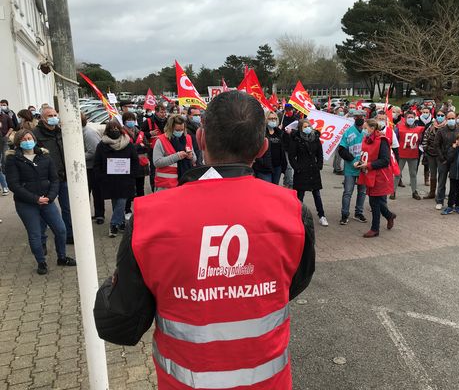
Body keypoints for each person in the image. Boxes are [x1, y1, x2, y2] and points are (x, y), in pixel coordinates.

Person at [94, 90, 315, 390]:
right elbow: (294, 283)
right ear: (263, 147)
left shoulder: (148, 219)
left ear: (200, 140)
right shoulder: (294, 212)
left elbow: (119, 325)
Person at [5, 129, 76, 275]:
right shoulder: (13, 159)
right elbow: (13, 185)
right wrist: (35, 199)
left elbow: (55, 179)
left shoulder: (44, 156)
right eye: (23, 139)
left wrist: (49, 197)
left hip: (46, 201)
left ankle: (61, 257)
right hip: (26, 204)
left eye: (29, 138)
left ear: (35, 139)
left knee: (61, 230)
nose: (27, 141)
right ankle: (41, 262)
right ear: (18, 142)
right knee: (35, 234)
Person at [34, 106, 74, 244]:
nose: (53, 118)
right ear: (43, 118)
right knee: (43, 210)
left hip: (63, 177)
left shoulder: (61, 132)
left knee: (67, 208)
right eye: (49, 116)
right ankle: (42, 240)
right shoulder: (35, 134)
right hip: (45, 179)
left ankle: (69, 234)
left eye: (54, 115)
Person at [94, 120, 139, 237]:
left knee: (122, 200)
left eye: (116, 128)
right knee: (116, 201)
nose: (114, 131)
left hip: (125, 179)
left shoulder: (128, 143)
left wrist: (132, 174)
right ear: (107, 131)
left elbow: (135, 160)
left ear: (120, 130)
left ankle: (113, 224)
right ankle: (122, 223)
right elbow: (97, 163)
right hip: (109, 180)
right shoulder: (102, 145)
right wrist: (101, 176)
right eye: (111, 129)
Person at [357, 119, 396, 238]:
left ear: (372, 128)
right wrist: (359, 163)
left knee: (374, 202)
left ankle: (375, 229)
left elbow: (385, 161)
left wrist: (368, 165)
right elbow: (365, 155)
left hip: (380, 176)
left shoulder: (382, 141)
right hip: (369, 174)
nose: (363, 130)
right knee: (377, 201)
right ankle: (389, 215)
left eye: (365, 128)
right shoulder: (366, 139)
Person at [288, 119, 328, 227]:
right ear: (300, 128)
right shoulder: (296, 139)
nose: (307, 128)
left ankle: (322, 216)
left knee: (317, 194)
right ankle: (297, 216)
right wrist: (297, 167)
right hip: (301, 170)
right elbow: (291, 156)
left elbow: (320, 153)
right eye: (304, 126)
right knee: (300, 195)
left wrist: (319, 165)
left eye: (308, 126)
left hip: (313, 170)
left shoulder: (315, 138)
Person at [338, 110, 367, 224]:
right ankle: (344, 215)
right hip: (350, 167)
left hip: (363, 168)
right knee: (348, 192)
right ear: (354, 118)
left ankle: (358, 213)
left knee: (362, 192)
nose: (360, 118)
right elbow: (342, 150)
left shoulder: (367, 133)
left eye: (362, 116)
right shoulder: (348, 132)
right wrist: (353, 160)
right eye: (357, 116)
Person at [153, 115, 197, 191]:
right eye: (177, 130)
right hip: (166, 186)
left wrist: (191, 156)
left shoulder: (187, 138)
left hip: (185, 183)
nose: (180, 132)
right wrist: (177, 156)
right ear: (170, 128)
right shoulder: (161, 140)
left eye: (182, 130)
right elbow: (157, 162)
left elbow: (194, 159)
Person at [433, 111, 459, 210]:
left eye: (453, 118)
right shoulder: (441, 131)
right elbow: (436, 145)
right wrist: (442, 158)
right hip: (443, 159)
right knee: (442, 181)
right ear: (446, 119)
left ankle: (454, 202)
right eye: (449, 118)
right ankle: (439, 200)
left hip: (455, 160)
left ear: (456, 119)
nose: (451, 120)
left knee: (454, 182)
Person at [122, 112, 149, 216]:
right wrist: (137, 146)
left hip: (141, 165)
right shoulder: (122, 133)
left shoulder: (140, 132)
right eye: (129, 120)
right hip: (127, 165)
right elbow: (123, 147)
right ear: (124, 121)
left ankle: (141, 208)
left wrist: (135, 147)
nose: (131, 122)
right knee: (129, 188)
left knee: (140, 187)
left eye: (132, 119)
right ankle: (127, 210)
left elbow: (146, 146)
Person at [396, 111, 425, 200]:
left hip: (413, 154)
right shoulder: (399, 128)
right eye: (409, 117)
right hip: (401, 154)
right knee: (397, 173)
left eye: (412, 117)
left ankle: (414, 191)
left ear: (415, 118)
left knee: (413, 173)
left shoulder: (419, 129)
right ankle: (393, 191)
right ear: (405, 118)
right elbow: (395, 140)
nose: (410, 119)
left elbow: (421, 141)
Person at [82, 112, 104, 224]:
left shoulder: (88, 133)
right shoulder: (83, 131)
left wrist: (78, 157)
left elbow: (94, 152)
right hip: (87, 167)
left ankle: (100, 215)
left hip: (92, 168)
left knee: (97, 192)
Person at [141, 104, 168, 191]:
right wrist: (150, 134)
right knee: (154, 170)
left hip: (166, 149)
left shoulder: (168, 121)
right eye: (161, 112)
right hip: (153, 150)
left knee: (166, 169)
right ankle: (154, 189)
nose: (163, 114)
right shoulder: (148, 121)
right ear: (156, 112)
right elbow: (140, 135)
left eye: (164, 112)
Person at [265, 110, 287, 185]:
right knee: (267, 190)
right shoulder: (261, 132)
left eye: (275, 118)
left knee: (274, 188)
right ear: (266, 120)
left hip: (277, 166)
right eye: (270, 119)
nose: (273, 120)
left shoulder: (279, 133)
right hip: (265, 167)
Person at [281, 103, 299, 188]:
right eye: (287, 110)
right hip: (284, 145)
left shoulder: (296, 118)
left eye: (290, 110)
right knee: (288, 165)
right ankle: (290, 182)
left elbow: (298, 131)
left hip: (293, 145)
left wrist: (291, 132)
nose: (289, 111)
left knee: (290, 165)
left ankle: (287, 181)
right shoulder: (282, 118)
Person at [0, 112, 13, 195]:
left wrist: (7, 136)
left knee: (3, 161)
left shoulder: (6, 116)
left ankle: (5, 186)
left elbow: (12, 127)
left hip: (3, 141)